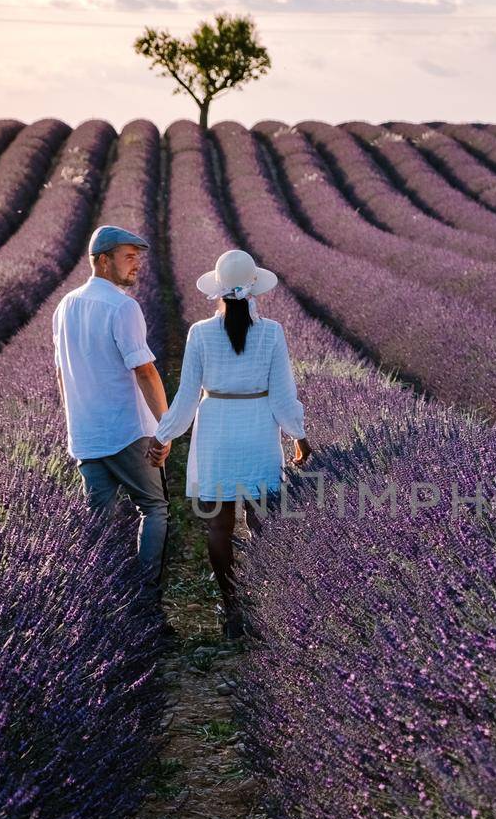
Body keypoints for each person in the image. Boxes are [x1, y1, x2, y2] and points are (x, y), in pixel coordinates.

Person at [148, 248, 311, 639]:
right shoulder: (271, 332)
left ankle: (233, 609)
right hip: (258, 429)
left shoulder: (200, 333)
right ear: (255, 288)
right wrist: (300, 436)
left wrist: (163, 436)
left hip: (216, 431)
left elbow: (186, 398)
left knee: (218, 529)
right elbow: (283, 396)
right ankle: (266, 605)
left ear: (217, 290)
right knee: (263, 524)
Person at [52, 224, 171, 612]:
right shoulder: (122, 307)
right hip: (126, 431)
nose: (137, 265)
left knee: (97, 524)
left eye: (139, 258)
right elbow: (145, 371)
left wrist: (75, 418)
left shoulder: (64, 305)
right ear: (102, 261)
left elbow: (60, 373)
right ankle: (144, 601)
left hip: (85, 435)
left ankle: (103, 606)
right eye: (128, 257)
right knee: (153, 508)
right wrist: (166, 428)